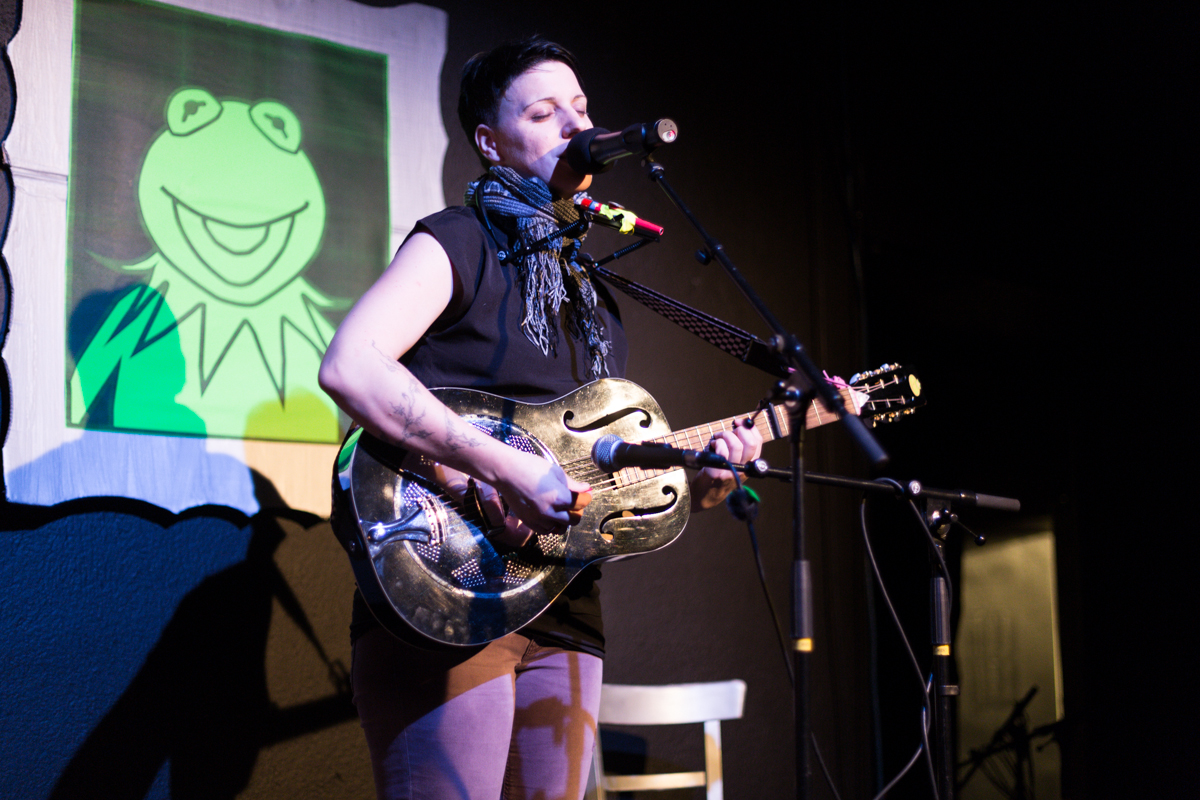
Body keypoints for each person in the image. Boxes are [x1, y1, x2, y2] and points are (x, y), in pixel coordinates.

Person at [319, 37, 761, 800]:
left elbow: (589, 479)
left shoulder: (596, 300)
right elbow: (351, 367)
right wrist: (504, 466)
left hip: (567, 608)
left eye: (581, 108)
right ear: (491, 143)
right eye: (544, 112)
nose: (575, 124)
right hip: (448, 582)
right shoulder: (457, 241)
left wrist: (701, 480)